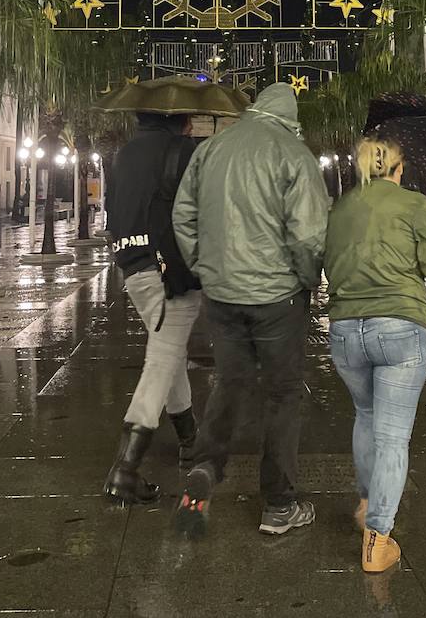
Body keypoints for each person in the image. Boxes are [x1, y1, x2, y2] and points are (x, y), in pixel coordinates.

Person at [172, 82, 329, 537]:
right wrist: (307, 280)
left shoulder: (211, 149)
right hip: (278, 297)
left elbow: (183, 216)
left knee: (230, 381)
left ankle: (206, 465)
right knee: (282, 395)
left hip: (222, 294)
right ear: (290, 115)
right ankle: (279, 503)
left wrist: (204, 265)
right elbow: (308, 236)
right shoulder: (294, 154)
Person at [325, 136, 426, 573]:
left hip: (346, 330)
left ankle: (367, 505)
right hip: (399, 328)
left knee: (366, 416)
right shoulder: (414, 204)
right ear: (399, 170)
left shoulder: (341, 208)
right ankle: (377, 541)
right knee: (393, 437)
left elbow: (327, 264)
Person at [102, 112, 201, 505]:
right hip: (170, 270)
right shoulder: (182, 150)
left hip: (132, 266)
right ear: (178, 119)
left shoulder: (125, 154)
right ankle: (125, 470)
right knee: (162, 358)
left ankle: (190, 438)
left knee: (169, 350)